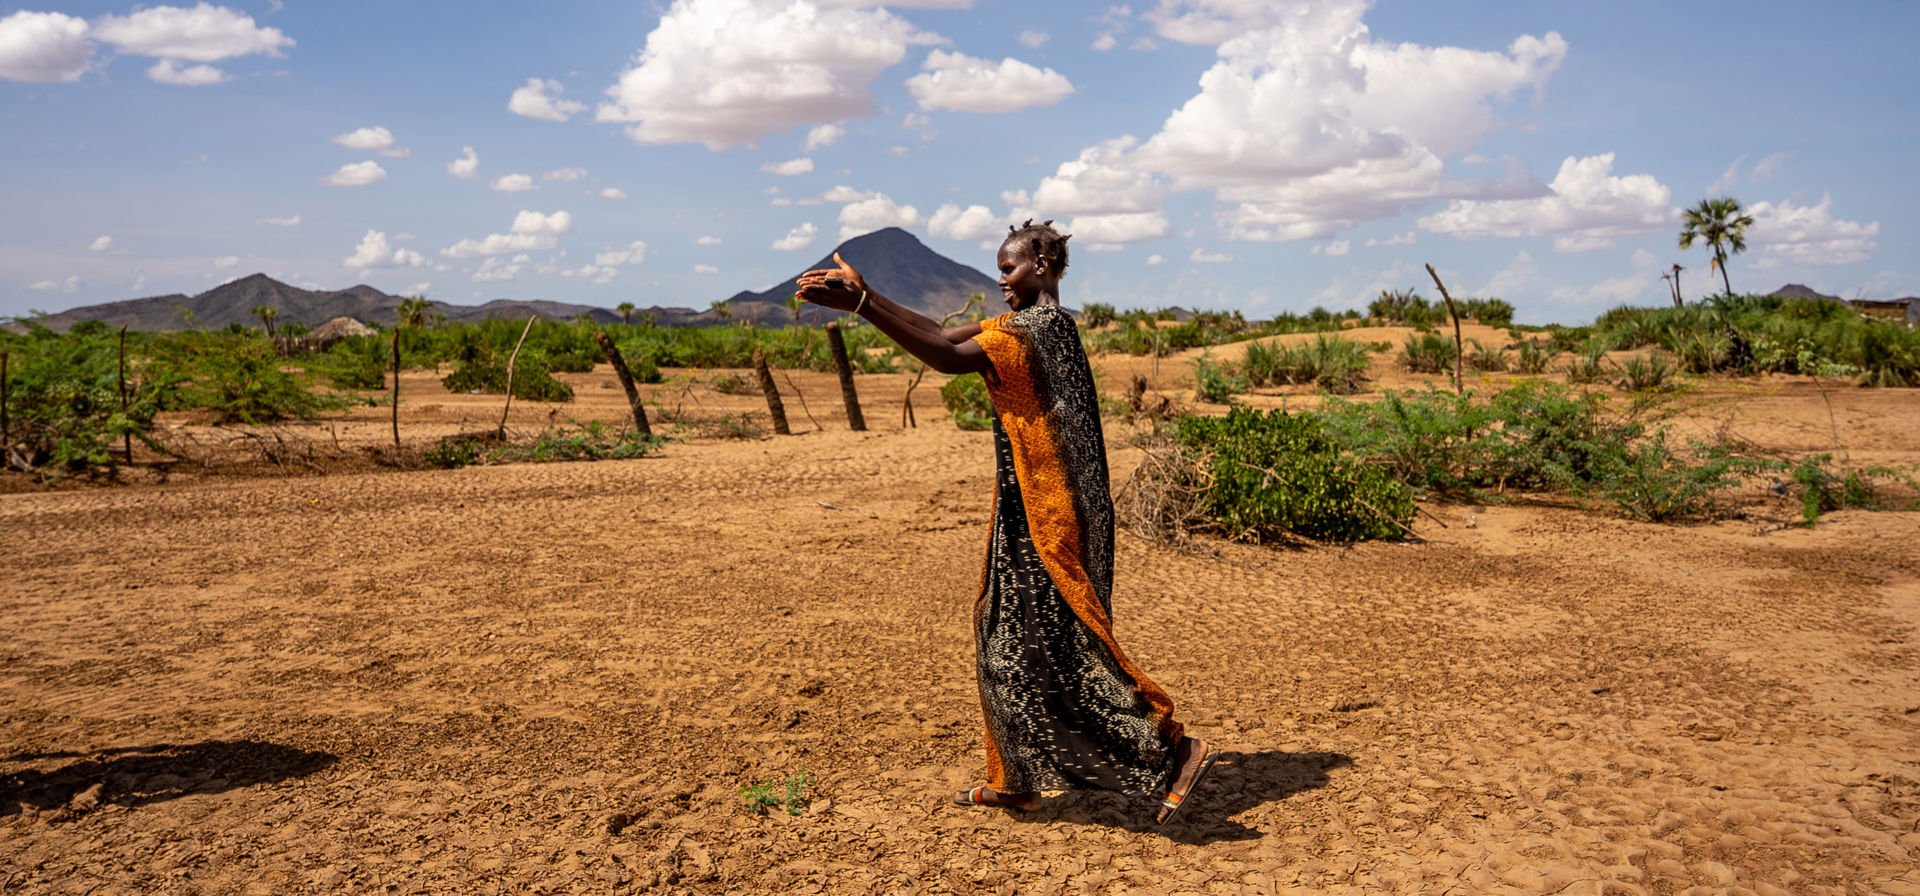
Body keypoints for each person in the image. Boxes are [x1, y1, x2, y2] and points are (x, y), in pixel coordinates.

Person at [796, 220, 1216, 825]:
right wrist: (869, 297)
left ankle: (1173, 752)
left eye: (1009, 269)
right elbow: (939, 331)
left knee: (1067, 639)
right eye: (998, 270)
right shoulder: (1022, 326)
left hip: (1057, 507)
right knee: (1002, 636)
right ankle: (1014, 779)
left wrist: (862, 304)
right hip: (1030, 503)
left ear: (1042, 264)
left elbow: (943, 356)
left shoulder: (1040, 330)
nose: (1001, 282)